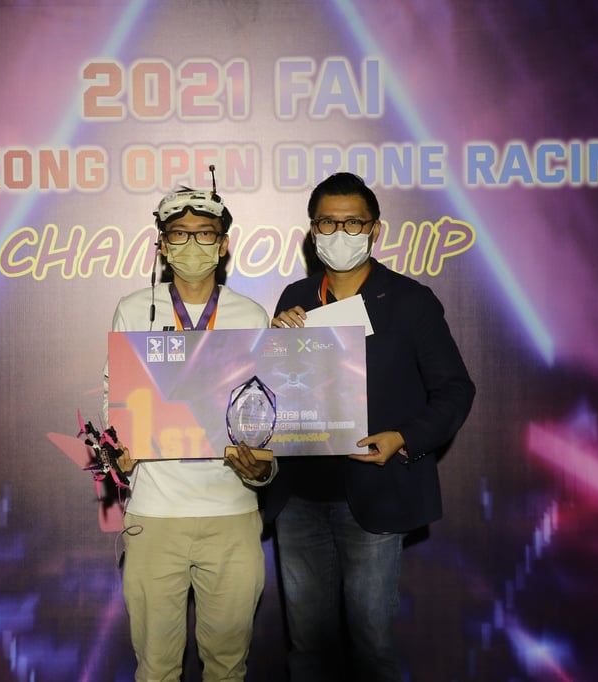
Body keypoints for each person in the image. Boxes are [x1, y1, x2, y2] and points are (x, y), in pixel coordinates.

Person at [265, 172, 476, 682]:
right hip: (299, 500)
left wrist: (403, 437)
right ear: (312, 231)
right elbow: (276, 393)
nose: (340, 233)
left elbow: (455, 390)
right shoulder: (295, 297)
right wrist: (273, 344)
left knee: (371, 645)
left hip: (375, 495)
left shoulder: (410, 301)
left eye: (353, 222)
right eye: (327, 223)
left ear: (375, 229)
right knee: (307, 647)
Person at [104, 173, 276, 682]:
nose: (192, 244)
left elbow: (269, 416)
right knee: (156, 669)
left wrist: (262, 469)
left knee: (228, 667)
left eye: (205, 234)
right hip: (155, 513)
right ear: (162, 244)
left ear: (223, 245)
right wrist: (118, 451)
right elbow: (115, 405)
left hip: (232, 513)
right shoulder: (132, 310)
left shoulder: (250, 315)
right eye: (179, 234)